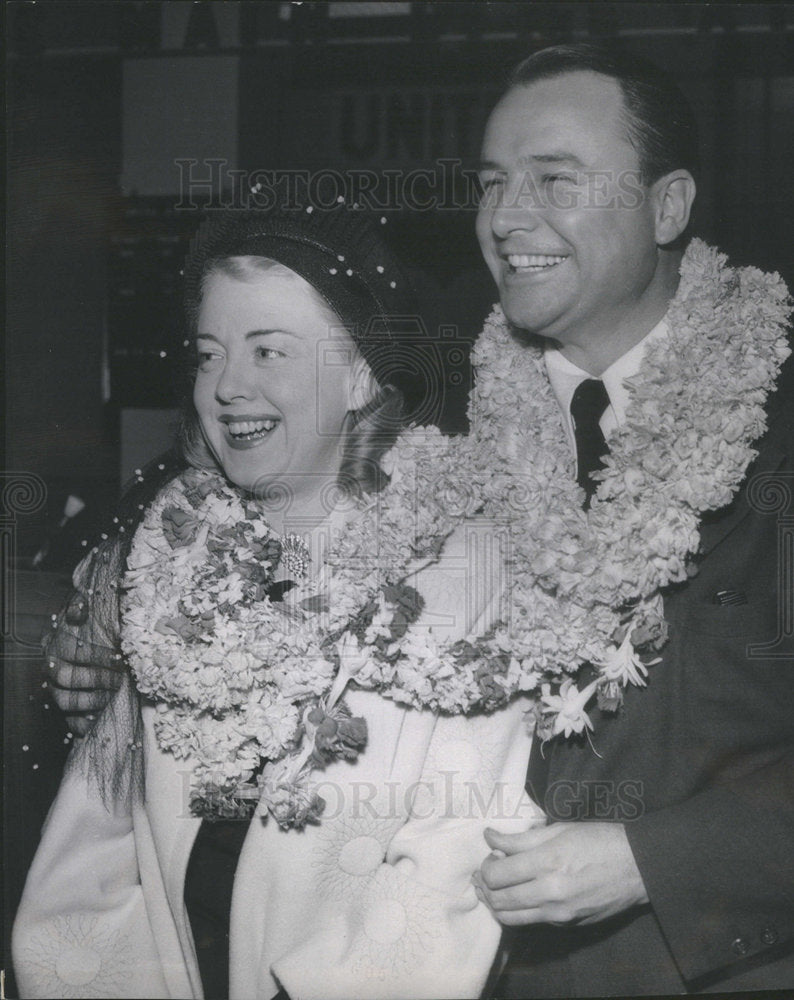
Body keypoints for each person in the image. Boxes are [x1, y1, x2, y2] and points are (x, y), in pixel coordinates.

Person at [12, 205, 541, 1000]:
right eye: (209, 354)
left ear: (362, 375)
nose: (227, 387)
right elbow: (90, 854)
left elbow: (452, 866)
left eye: (270, 351)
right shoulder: (169, 549)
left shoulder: (461, 571)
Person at [468, 42, 794, 996]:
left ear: (668, 207)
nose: (506, 218)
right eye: (492, 184)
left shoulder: (780, 422)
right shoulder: (434, 421)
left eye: (554, 180)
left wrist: (654, 857)